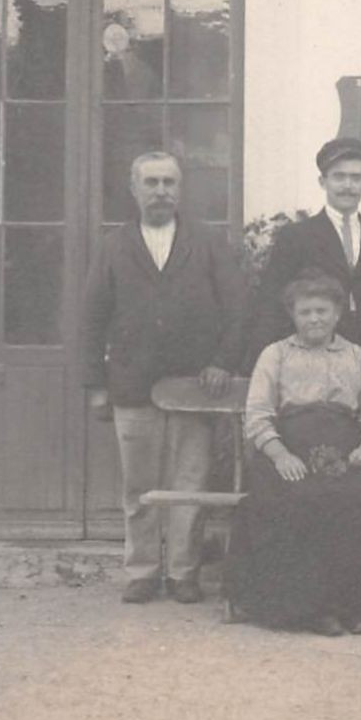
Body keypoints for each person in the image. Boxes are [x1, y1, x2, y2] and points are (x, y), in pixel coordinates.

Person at [83, 151, 245, 606]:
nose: (160, 192)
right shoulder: (114, 246)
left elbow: (236, 311)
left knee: (190, 483)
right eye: (151, 183)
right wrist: (96, 384)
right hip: (132, 386)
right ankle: (142, 571)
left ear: (181, 189)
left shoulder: (208, 243)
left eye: (169, 183)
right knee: (139, 487)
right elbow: (93, 317)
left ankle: (182, 572)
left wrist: (222, 363)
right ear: (134, 189)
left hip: (196, 388)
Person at [229, 271, 361, 636]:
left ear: (338, 313)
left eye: (322, 311)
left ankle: (356, 607)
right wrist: (279, 456)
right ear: (293, 315)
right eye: (305, 312)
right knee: (294, 501)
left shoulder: (358, 357)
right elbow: (258, 416)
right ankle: (309, 611)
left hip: (347, 452)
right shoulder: (275, 355)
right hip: (288, 450)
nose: (315, 319)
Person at [245, 137, 361, 376]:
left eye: (356, 178)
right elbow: (271, 300)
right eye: (339, 177)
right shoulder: (297, 236)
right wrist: (257, 365)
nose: (348, 186)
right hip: (316, 355)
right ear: (323, 181)